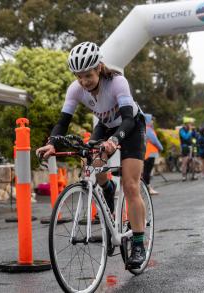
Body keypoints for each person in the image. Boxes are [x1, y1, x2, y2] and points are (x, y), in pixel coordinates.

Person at [36, 42, 147, 268]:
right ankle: (107, 190)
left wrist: (115, 141)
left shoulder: (117, 82)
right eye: (79, 77)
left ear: (98, 68)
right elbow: (62, 123)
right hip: (105, 127)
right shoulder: (75, 89)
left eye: (88, 75)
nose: (84, 81)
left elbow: (126, 118)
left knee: (130, 184)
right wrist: (51, 144)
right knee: (93, 168)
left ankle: (138, 243)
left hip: (131, 126)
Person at [143, 114, 163, 195]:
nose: (152, 121)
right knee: (147, 172)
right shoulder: (148, 130)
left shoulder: (145, 129)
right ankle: (148, 188)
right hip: (150, 153)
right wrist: (161, 148)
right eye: (151, 119)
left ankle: (147, 188)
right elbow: (155, 141)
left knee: (146, 172)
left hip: (147, 153)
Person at [179, 117, 196, 181]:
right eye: (189, 124)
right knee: (185, 162)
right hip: (184, 147)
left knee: (193, 161)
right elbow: (185, 137)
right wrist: (190, 131)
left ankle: (193, 175)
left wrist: (194, 131)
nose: (191, 125)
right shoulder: (182, 130)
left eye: (191, 124)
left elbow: (195, 137)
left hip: (191, 147)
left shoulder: (191, 130)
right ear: (186, 124)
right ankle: (184, 176)